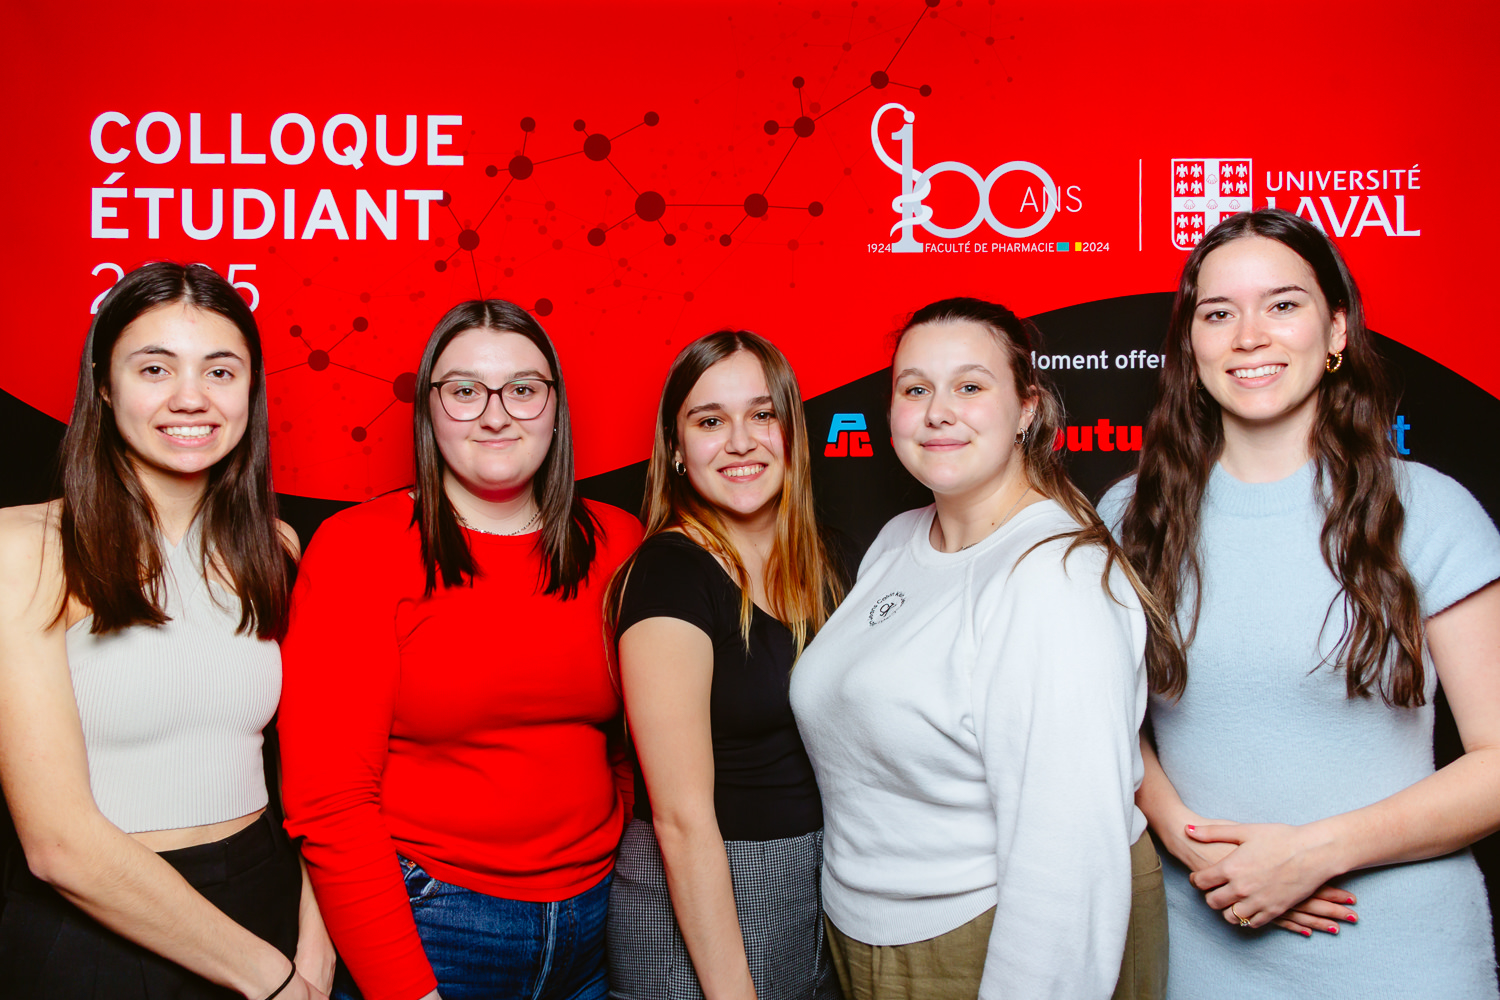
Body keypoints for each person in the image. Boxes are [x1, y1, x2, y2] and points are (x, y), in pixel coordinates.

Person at [1100, 207, 1500, 998]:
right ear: (1191, 345)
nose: (1250, 336)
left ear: (1337, 330)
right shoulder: (1129, 513)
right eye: (1219, 314)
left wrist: (1314, 854)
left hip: (1402, 959)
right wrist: (1190, 842)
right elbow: (1100, 722)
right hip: (1196, 948)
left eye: (1282, 305)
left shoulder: (1428, 510)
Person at [790, 297, 1175, 1000]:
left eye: (969, 386)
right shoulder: (898, 541)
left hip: (990, 935)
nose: (938, 412)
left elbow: (1068, 860)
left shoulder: (1054, 579)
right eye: (915, 389)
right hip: (867, 934)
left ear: (1027, 409)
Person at [278, 299, 641, 1000]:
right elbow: (331, 803)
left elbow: (635, 748)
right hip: (434, 925)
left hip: (601, 919)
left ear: (556, 408)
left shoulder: (619, 542)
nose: (495, 414)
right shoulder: (361, 548)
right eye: (465, 390)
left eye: (523, 389)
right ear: (429, 409)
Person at [0, 262, 331, 999]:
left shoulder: (275, 548)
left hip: (268, 906)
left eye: (220, 370)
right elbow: (58, 845)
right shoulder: (23, 550)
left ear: (251, 390)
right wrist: (276, 982)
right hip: (99, 937)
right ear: (104, 384)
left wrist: (316, 951)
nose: (191, 397)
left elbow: (320, 774)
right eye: (155, 367)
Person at [605, 330, 845, 1000]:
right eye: (710, 422)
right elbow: (682, 820)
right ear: (677, 449)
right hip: (702, 906)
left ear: (792, 432)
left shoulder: (828, 563)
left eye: (762, 415)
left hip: (812, 894)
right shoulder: (670, 574)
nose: (741, 441)